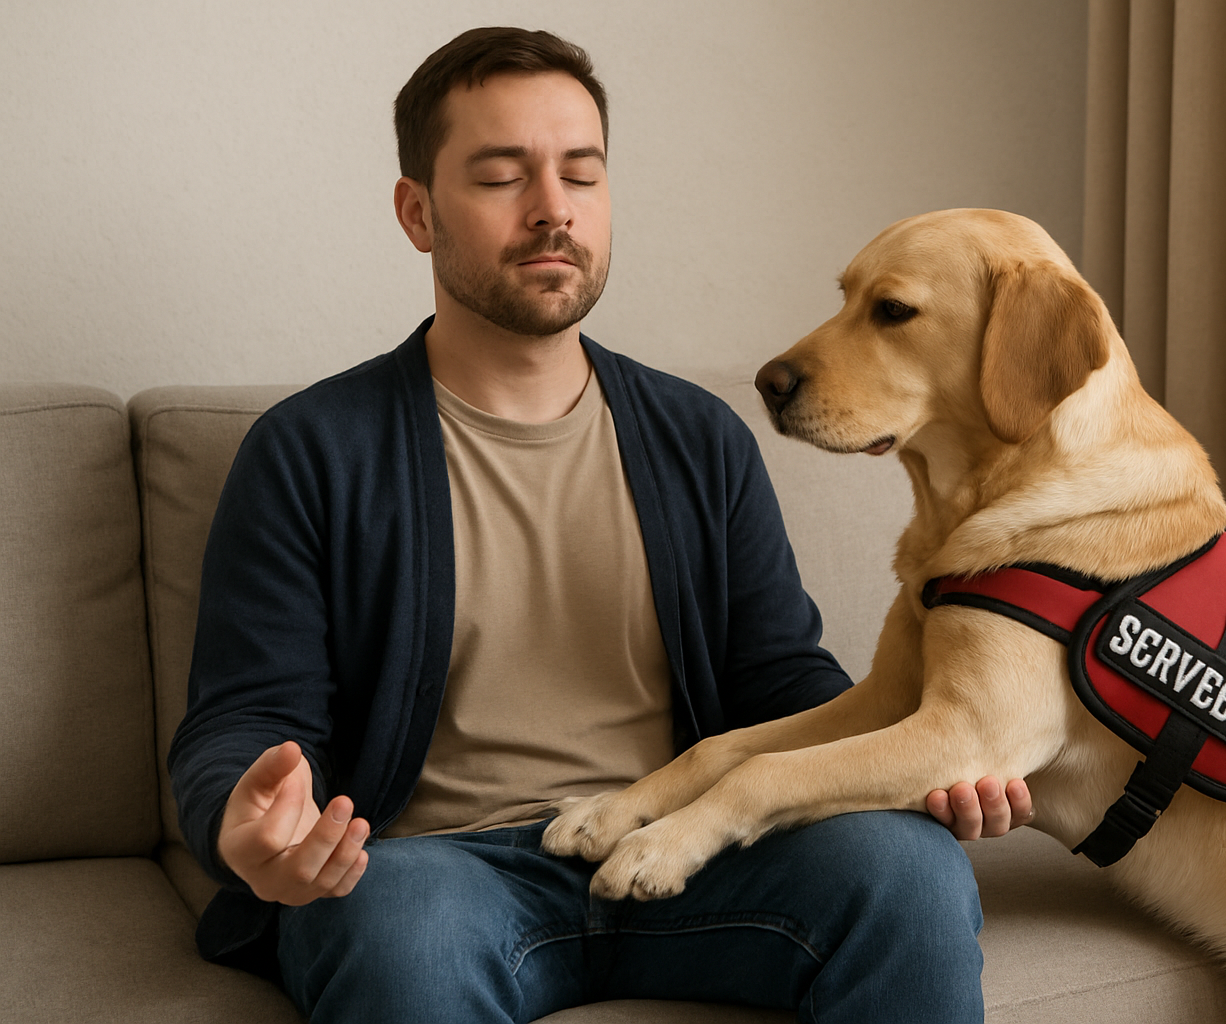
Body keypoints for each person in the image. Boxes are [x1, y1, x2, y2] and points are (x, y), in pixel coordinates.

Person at [168, 26, 1032, 1024]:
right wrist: (245, 825)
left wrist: (914, 762)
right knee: (394, 928)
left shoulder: (699, 438)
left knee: (906, 871)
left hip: (680, 844)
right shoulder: (310, 451)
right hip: (440, 871)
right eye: (501, 177)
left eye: (582, 173)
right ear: (418, 212)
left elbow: (780, 683)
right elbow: (243, 718)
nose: (552, 209)